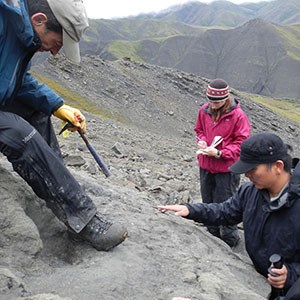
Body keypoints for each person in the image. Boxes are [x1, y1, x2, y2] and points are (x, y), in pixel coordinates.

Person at [0, 0, 128, 251]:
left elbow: (11, 78)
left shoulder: (21, 31)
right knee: (19, 133)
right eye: (57, 43)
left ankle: (56, 189)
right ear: (39, 20)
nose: (55, 52)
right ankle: (84, 219)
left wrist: (57, 106)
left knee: (37, 112)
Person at [158, 132, 300, 299]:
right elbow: (225, 212)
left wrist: (290, 274)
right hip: (259, 280)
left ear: (277, 166)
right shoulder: (250, 192)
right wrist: (190, 210)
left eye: (252, 169)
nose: (246, 174)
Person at [194, 78, 251, 247]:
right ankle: (211, 236)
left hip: (226, 169)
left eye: (216, 101)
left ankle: (229, 240)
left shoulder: (238, 116)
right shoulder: (204, 110)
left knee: (226, 206)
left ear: (225, 98)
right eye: (210, 100)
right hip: (206, 165)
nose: (212, 104)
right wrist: (202, 141)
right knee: (208, 202)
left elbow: (242, 143)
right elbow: (199, 130)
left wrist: (220, 153)